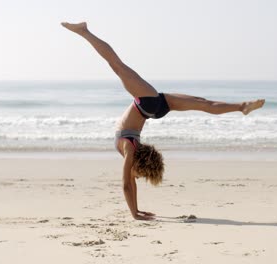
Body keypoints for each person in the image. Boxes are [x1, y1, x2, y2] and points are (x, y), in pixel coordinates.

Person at [61, 22, 265, 220]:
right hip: (148, 105)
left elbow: (128, 184)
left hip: (154, 109)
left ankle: (242, 106)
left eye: (139, 175)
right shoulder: (130, 150)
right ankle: (241, 106)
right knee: (118, 66)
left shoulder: (130, 151)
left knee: (202, 102)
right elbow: (128, 184)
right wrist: (135, 212)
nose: (137, 177)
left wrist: (136, 212)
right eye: (140, 174)